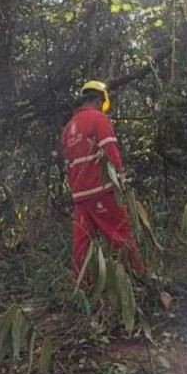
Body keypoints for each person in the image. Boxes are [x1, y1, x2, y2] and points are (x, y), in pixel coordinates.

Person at [60, 80, 144, 276]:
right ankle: (138, 275)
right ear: (99, 100)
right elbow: (111, 150)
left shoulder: (68, 128)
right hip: (101, 189)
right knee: (120, 233)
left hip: (80, 195)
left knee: (82, 243)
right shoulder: (98, 118)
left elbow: (67, 163)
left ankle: (83, 286)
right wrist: (121, 179)